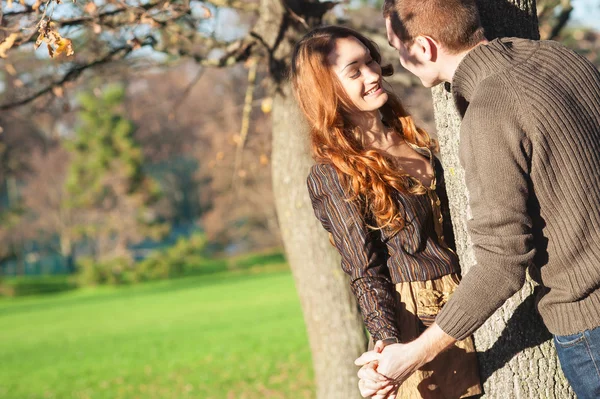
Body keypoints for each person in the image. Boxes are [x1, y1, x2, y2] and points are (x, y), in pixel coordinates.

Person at [355, 0, 600, 398]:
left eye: (397, 46)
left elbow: (502, 265)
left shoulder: (490, 112)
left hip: (592, 329)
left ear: (425, 48)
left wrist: (413, 355)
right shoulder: (561, 57)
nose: (396, 60)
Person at [290, 25, 482, 398]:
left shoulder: (412, 138)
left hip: (471, 294)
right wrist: (386, 346)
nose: (374, 74)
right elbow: (365, 272)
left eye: (371, 61)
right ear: (326, 89)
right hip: (417, 316)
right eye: (355, 70)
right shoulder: (333, 175)